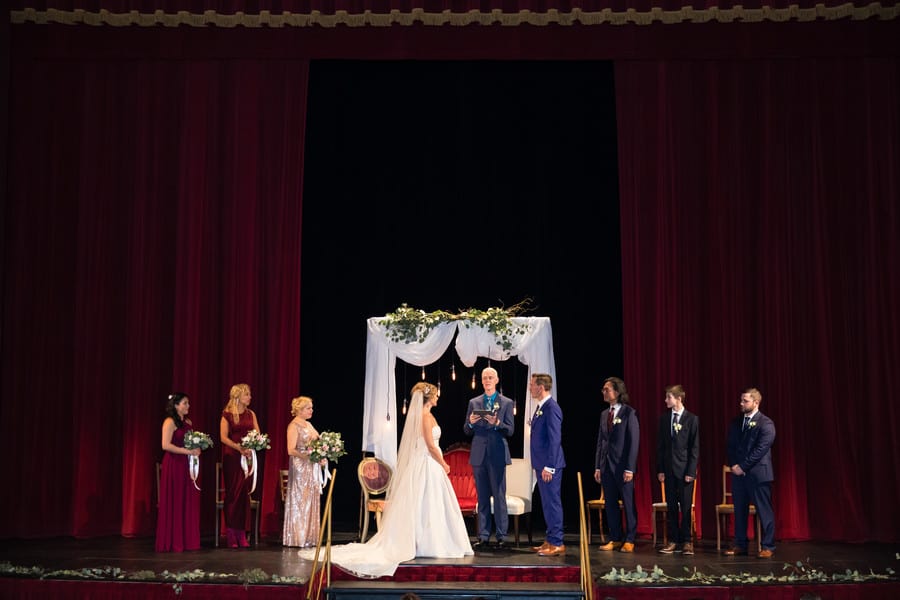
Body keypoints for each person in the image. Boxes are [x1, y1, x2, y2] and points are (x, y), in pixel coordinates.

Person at [300, 381, 472, 577]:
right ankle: (425, 543)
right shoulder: (424, 417)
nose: (437, 397)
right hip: (427, 462)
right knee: (425, 502)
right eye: (435, 394)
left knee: (430, 502)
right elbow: (430, 446)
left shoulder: (427, 415)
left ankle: (434, 540)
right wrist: (443, 463)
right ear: (429, 397)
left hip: (429, 463)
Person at [464, 366, 515, 550]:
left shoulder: (506, 402)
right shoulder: (474, 402)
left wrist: (498, 423)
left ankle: (502, 536)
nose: (487, 380)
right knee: (482, 496)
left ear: (497, 380)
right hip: (479, 454)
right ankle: (483, 536)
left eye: (490, 377)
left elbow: (510, 430)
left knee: (499, 496)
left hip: (497, 454)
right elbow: (466, 430)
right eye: (484, 377)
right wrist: (471, 423)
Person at [725, 387, 776, 558]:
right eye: (741, 400)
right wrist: (734, 465)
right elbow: (731, 446)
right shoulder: (736, 422)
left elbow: (761, 449)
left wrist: (743, 466)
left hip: (758, 474)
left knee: (764, 511)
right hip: (739, 475)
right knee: (740, 511)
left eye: (745, 401)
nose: (741, 403)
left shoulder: (766, 423)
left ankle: (768, 546)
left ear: (756, 402)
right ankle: (740, 544)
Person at [594, 376, 640, 552]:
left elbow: (633, 442)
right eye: (603, 390)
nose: (604, 392)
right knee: (610, 504)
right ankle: (615, 538)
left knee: (628, 503)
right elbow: (601, 442)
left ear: (617, 391)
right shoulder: (604, 414)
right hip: (606, 466)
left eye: (607, 389)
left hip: (622, 467)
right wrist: (598, 466)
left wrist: (630, 468)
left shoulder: (629, 413)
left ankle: (630, 539)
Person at [155, 392, 202, 552]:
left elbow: (189, 443)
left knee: (186, 500)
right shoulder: (169, 422)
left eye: (188, 403)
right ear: (176, 405)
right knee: (175, 500)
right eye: (185, 403)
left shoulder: (187, 422)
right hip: (174, 464)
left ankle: (186, 540)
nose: (188, 406)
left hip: (185, 465)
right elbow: (165, 445)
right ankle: (173, 541)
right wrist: (187, 451)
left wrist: (196, 449)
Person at [655, 384, 699, 555]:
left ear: (679, 398)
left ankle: (687, 541)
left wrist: (691, 471)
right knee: (671, 506)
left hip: (685, 470)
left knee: (686, 506)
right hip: (669, 470)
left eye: (669, 397)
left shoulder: (691, 419)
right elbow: (660, 446)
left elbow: (694, 448)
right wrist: (660, 469)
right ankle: (673, 540)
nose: (666, 400)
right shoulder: (664, 419)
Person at [528, 373, 566, 557]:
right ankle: (550, 539)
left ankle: (557, 542)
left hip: (550, 465)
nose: (530, 388)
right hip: (541, 464)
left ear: (541, 387)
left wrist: (549, 466)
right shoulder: (541, 407)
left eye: (532, 385)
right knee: (547, 504)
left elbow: (554, 439)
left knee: (553, 503)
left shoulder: (551, 408)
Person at [219, 383, 260, 549]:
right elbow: (223, 437)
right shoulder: (227, 414)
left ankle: (242, 533)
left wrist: (252, 446)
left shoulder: (251, 414)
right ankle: (231, 532)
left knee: (244, 494)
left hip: (248, 456)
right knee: (233, 494)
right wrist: (238, 448)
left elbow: (257, 433)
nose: (250, 397)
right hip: (233, 457)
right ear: (237, 396)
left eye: (249, 394)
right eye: (246, 394)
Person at [283, 396, 327, 548]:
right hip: (300, 467)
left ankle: (310, 537)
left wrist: (321, 454)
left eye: (311, 408)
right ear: (300, 410)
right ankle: (298, 537)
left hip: (310, 466)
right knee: (301, 500)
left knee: (310, 499)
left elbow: (318, 442)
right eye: (308, 408)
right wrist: (309, 457)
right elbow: (291, 450)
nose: (311, 410)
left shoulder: (308, 424)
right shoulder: (293, 426)